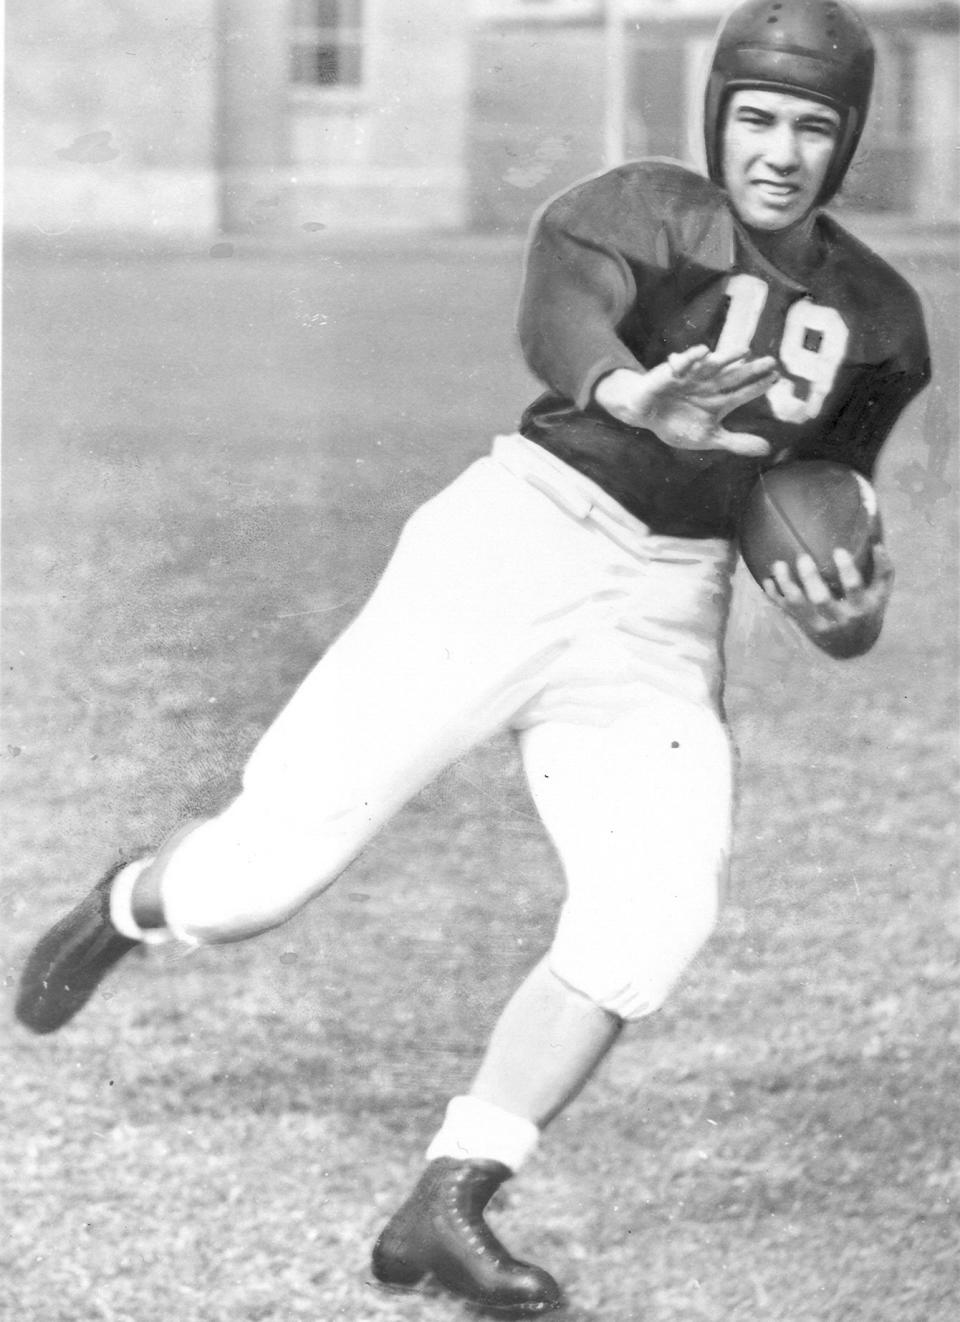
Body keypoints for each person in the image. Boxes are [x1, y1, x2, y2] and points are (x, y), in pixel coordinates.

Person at [16, 0, 930, 1314]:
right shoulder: (644, 208)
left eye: (811, 126)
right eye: (758, 117)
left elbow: (828, 503)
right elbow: (567, 313)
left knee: (653, 913)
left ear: (847, 143)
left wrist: (847, 604)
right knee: (261, 876)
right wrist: (631, 393)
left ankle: (453, 1193)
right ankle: (127, 904)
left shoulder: (881, 317)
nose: (780, 150)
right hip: (518, 542)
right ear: (718, 112)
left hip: (664, 609)